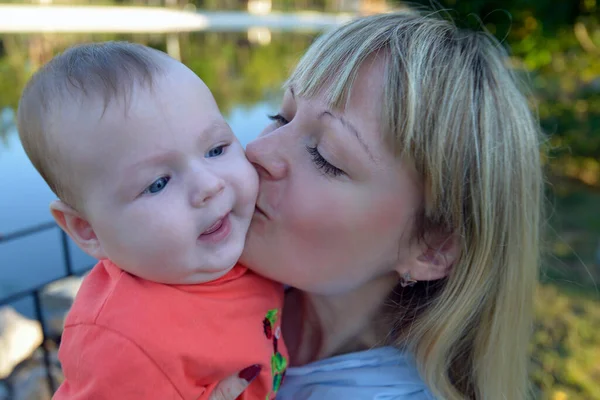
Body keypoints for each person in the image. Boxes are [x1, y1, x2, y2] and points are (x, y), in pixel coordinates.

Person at [220, 10, 544, 400]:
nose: (256, 149)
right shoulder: (209, 264)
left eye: (325, 156)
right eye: (281, 116)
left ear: (431, 246)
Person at [17, 42, 288, 399]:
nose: (209, 185)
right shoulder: (124, 344)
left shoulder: (248, 240)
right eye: (157, 184)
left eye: (217, 149)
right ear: (87, 229)